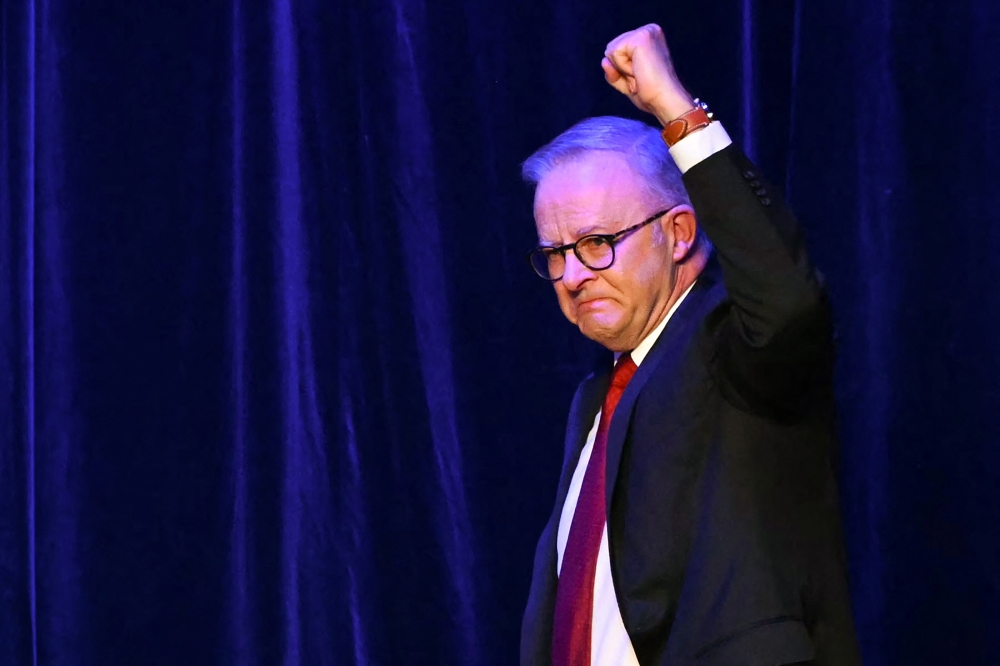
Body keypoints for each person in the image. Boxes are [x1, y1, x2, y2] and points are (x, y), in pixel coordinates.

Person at [519, 24, 862, 666]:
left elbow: (785, 297)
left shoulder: (731, 345)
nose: (571, 275)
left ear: (678, 232)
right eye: (555, 254)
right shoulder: (595, 398)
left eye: (595, 243)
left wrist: (674, 108)